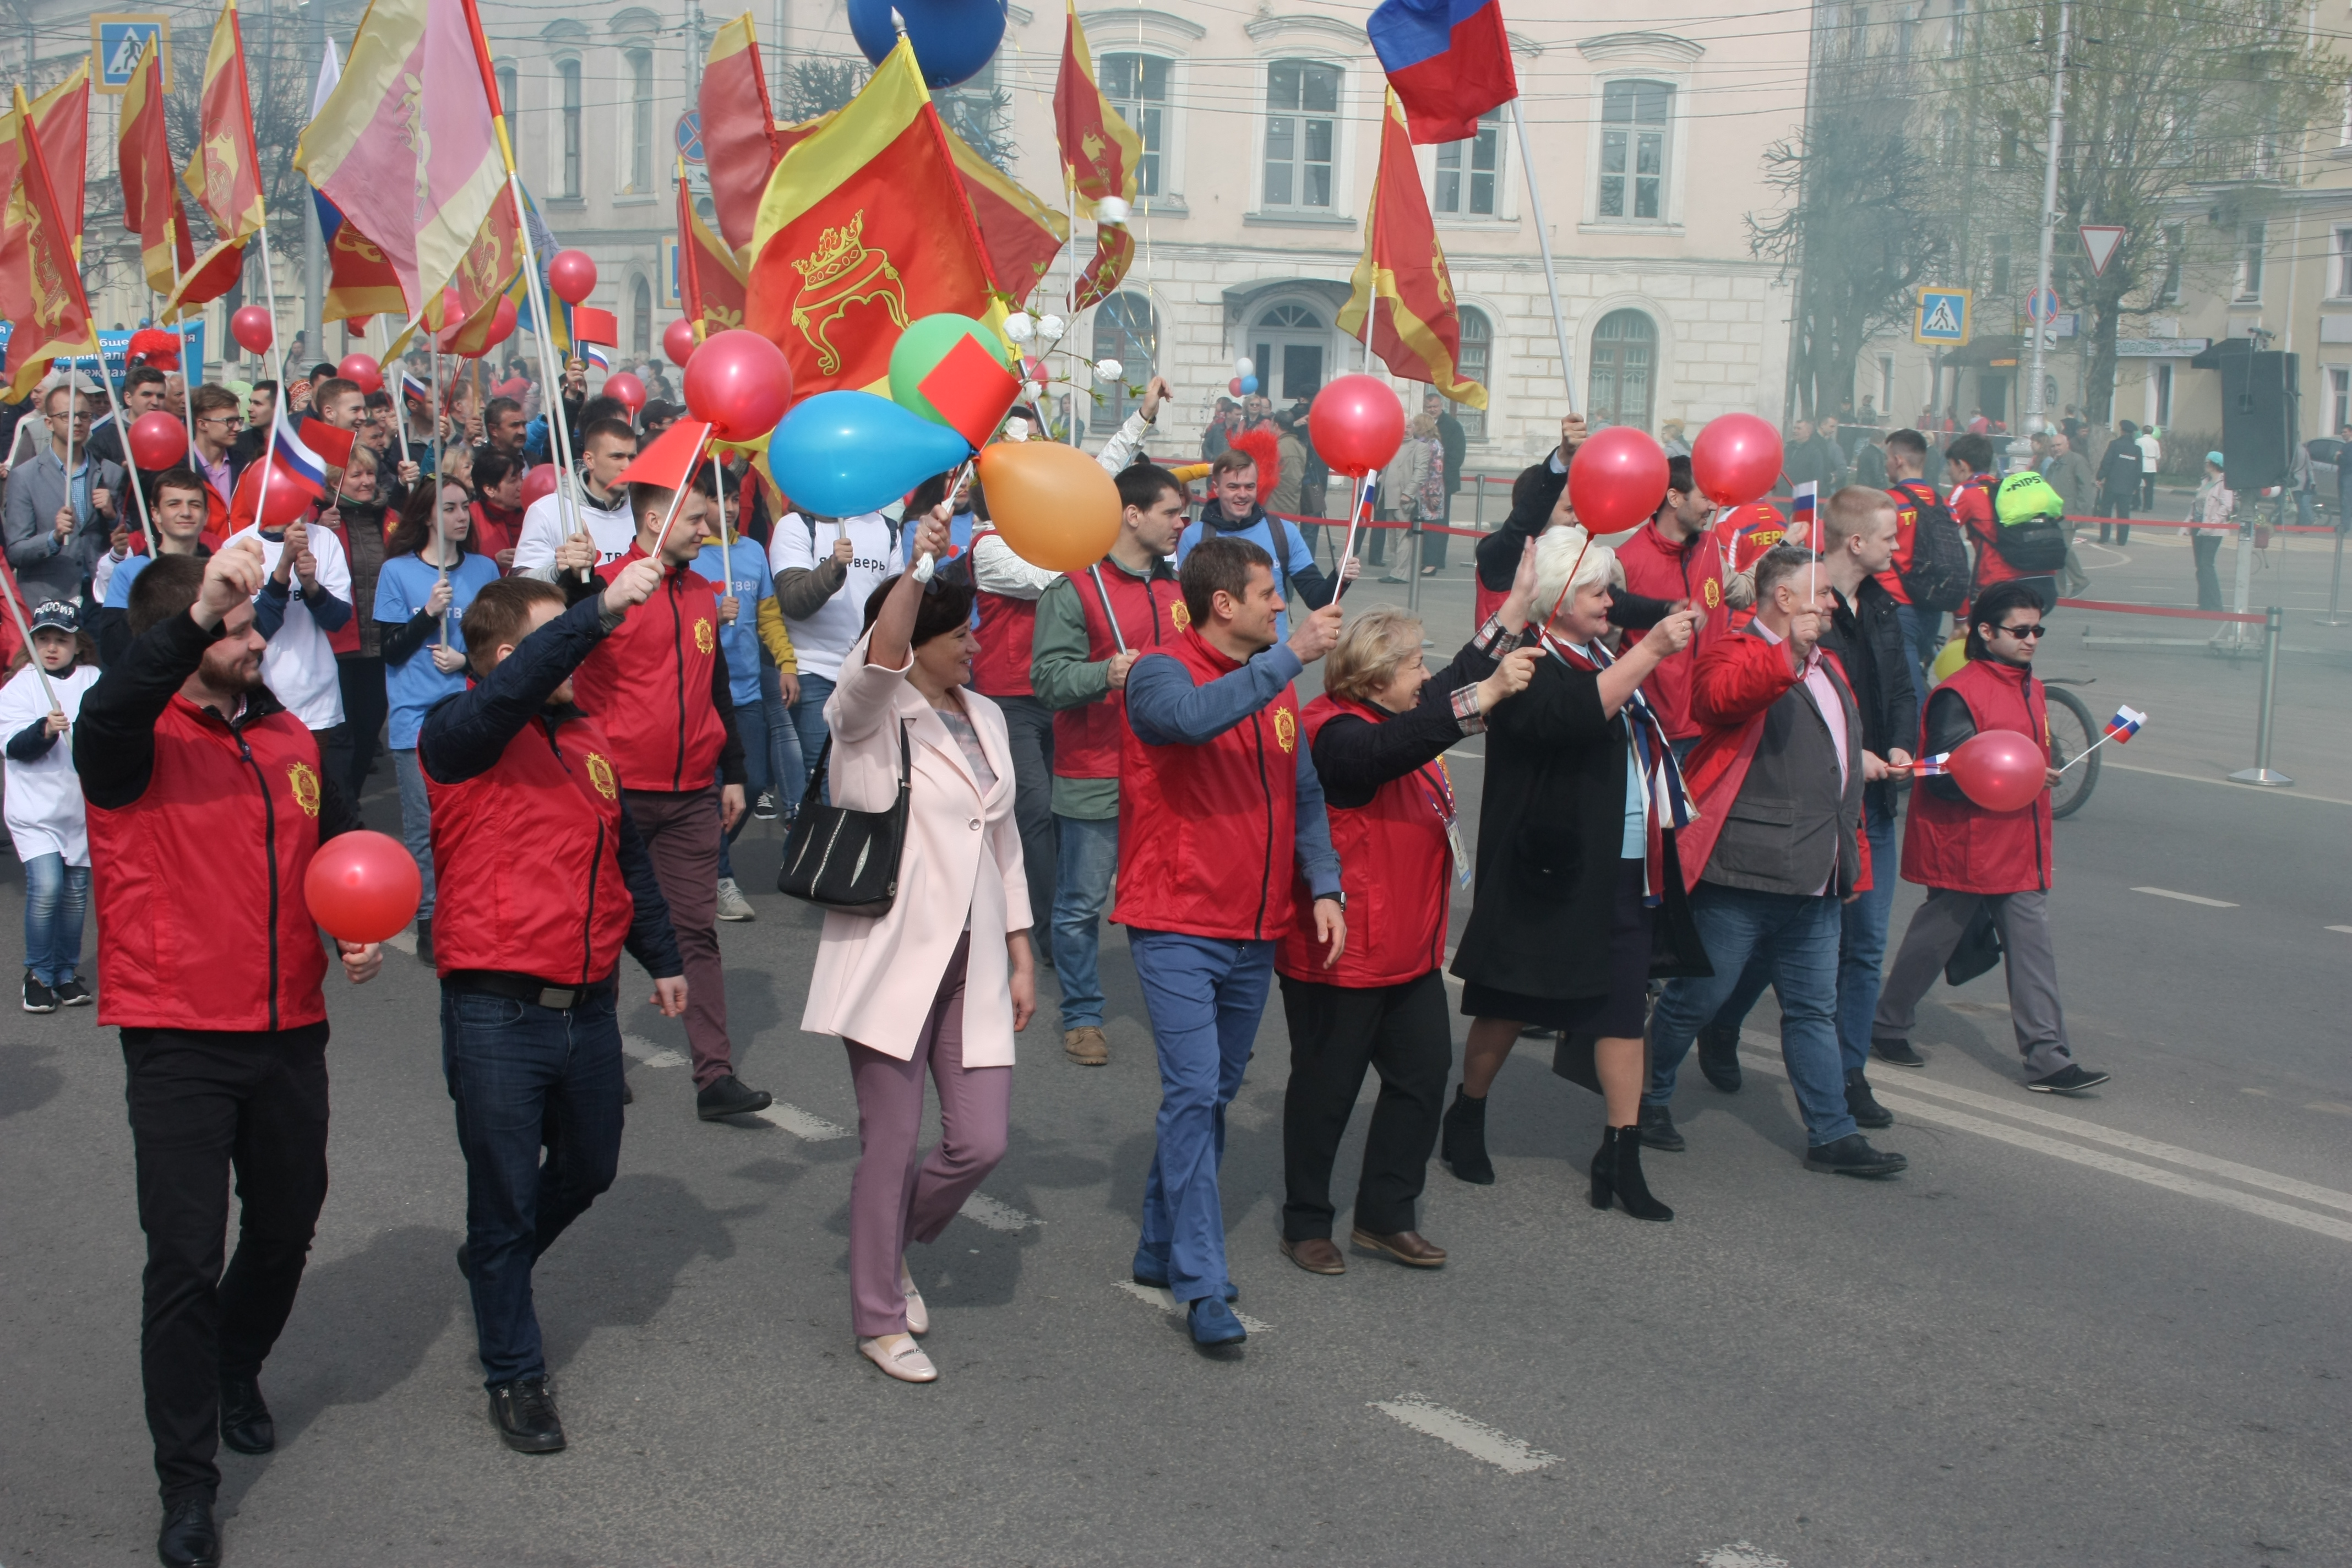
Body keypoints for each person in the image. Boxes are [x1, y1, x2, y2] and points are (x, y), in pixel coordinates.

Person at [75, 545, 383, 1568]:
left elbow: (337, 847)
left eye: (254, 626)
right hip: (179, 1036)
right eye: (243, 628)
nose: (262, 642)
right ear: (197, 633)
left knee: (288, 1223)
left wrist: (356, 924)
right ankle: (189, 1487)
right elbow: (110, 712)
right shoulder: (135, 738)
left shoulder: (290, 732)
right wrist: (192, 617)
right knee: (183, 1259)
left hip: (290, 1027)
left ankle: (234, 1359)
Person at [420, 563, 687, 1452]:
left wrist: (665, 956)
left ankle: (494, 1266)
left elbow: (627, 865)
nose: (577, 648)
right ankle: (515, 1372)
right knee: (500, 1205)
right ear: (506, 656)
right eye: (554, 636)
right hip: (496, 1011)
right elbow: (504, 699)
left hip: (588, 1008)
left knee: (592, 1165)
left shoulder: (589, 741)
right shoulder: (461, 733)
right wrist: (598, 608)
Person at [798, 507, 1035, 1383]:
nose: (974, 647)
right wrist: (917, 566)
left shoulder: (990, 718)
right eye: (961, 634)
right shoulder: (867, 712)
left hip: (973, 958)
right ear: (919, 639)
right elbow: (877, 658)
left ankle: (887, 1243)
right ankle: (876, 1314)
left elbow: (1001, 839)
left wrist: (1019, 949)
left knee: (981, 1144)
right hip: (892, 957)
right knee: (890, 1144)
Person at [1118, 536, 1346, 1346]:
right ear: (1225, 604)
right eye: (1267, 594)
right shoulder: (1160, 670)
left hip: (1255, 929)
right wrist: (1286, 660)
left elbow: (1305, 792)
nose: (1281, 605)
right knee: (1193, 1092)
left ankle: (1157, 1242)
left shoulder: (1270, 685)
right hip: (1178, 921)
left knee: (1208, 1096)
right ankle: (1202, 1283)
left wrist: (1322, 884)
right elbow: (1183, 723)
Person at [1444, 530, 1703, 1211]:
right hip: (1546, 867)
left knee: (1622, 1010)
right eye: (1595, 591)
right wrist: (1649, 651)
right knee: (1509, 1002)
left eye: (1610, 590)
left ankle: (1620, 1153)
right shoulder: (1527, 662)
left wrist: (1681, 609)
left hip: (1622, 860)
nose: (1610, 602)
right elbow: (1568, 717)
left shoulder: (1599, 648)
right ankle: (1467, 1113)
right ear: (1557, 599)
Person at [1279, 598, 1541, 1271]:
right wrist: (1481, 695)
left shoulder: (1399, 711)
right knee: (1326, 1092)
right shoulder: (1334, 732)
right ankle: (1306, 1220)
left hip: (1410, 953)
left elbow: (1446, 690)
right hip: (1342, 957)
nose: (1426, 677)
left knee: (1422, 1081)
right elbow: (1392, 748)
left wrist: (1510, 612)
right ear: (1372, 681)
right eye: (1413, 665)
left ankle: (1384, 1215)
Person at [1639, 545, 1908, 1178]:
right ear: (1784, 600)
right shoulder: (1733, 651)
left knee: (1814, 1008)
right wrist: (1786, 654)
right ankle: (1645, 1096)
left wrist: (1852, 862)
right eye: (1819, 592)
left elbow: (1839, 769)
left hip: (1816, 873)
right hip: (1745, 872)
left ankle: (1831, 1133)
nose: (1832, 602)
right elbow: (1723, 700)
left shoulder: (1831, 664)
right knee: (1696, 1001)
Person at [1687, 489, 1917, 1128]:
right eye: (1888, 537)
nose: (1898, 549)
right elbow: (1730, 695)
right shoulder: (1768, 634)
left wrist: (1894, 746)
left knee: (1841, 973)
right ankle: (1673, 1069)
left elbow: (1893, 698)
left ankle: (1839, 1105)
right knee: (1728, 975)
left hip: (1843, 832)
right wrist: (1792, 651)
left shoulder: (1862, 627)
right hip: (1771, 842)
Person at [562, 469, 769, 1120]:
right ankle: (597, 1060)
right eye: (697, 520)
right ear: (655, 521)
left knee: (696, 931)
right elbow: (561, 647)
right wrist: (576, 586)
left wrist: (732, 770)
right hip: (615, 792)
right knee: (603, 927)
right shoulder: (609, 588)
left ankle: (715, 1076)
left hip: (690, 795)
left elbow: (717, 689)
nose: (708, 530)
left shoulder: (704, 591)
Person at [1871, 582, 2109, 1095]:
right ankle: (1887, 1023)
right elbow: (1946, 773)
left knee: (2032, 949)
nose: (2031, 640)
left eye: (2037, 630)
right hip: (1969, 845)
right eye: (2020, 631)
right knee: (1933, 940)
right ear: (1985, 632)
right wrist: (2023, 776)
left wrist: (2032, 774)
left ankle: (2047, 1058)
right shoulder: (1958, 694)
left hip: (2018, 844)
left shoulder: (2034, 688)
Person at [1030, 463, 1190, 1066]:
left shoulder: (1178, 591)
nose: (1182, 522)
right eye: (1172, 511)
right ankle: (1083, 1015)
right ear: (1132, 513)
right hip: (1094, 771)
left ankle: (1183, 1016)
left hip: (1166, 774)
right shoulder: (1074, 587)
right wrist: (1106, 673)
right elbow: (1046, 680)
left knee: (1169, 903)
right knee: (1079, 904)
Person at [378, 479, 500, 962]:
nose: (461, 515)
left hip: (472, 713)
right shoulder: (397, 572)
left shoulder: (485, 568)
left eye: (465, 506)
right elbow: (390, 652)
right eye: (449, 508)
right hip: (417, 719)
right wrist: (430, 612)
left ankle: (475, 911)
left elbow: (498, 650)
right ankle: (430, 917)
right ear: (428, 517)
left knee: (478, 821)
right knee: (424, 827)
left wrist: (466, 664)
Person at [689, 466, 783, 922]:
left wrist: (785, 663)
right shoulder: (684, 556)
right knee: (708, 790)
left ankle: (705, 860)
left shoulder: (751, 553)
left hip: (746, 690)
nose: (727, 509)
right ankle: (720, 877)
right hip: (700, 693)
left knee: (756, 779)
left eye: (732, 501)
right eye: (716, 500)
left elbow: (768, 617)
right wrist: (709, 609)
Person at [2, 600, 99, 1010]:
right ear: (32, 642)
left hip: (79, 810)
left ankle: (65, 971)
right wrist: (44, 730)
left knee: (76, 895)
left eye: (62, 639)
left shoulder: (94, 679)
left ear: (78, 645)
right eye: (44, 639)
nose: (53, 648)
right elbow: (12, 747)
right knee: (47, 889)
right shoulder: (21, 686)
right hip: (35, 812)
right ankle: (38, 973)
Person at [771, 502, 902, 796]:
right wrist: (832, 568)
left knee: (870, 780)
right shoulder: (796, 524)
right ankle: (828, 841)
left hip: (869, 674)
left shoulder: (887, 529)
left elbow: (894, 604)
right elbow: (793, 603)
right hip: (814, 672)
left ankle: (816, 842)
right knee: (830, 779)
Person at [232, 483, 356, 789]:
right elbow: (257, 630)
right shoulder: (237, 545)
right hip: (262, 700)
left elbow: (338, 619)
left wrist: (312, 586)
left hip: (317, 701)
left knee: (324, 802)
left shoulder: (324, 539)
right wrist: (284, 564)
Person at [1613, 454, 1726, 755]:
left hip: (1712, 720)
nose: (1713, 507)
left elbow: (1742, 590)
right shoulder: (1626, 560)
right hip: (1658, 731)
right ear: (1674, 498)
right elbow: (1607, 653)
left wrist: (1785, 551)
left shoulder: (1710, 546)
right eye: (1705, 498)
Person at [1175, 447, 1339, 641]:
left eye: (1249, 486)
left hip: (1272, 662)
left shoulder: (1284, 533)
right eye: (1233, 487)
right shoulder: (1194, 537)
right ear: (1216, 488)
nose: (1242, 494)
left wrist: (1339, 576)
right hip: (1216, 663)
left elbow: (1317, 598)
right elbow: (1183, 607)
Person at [4, 379, 123, 606]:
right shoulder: (25, 476)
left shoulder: (110, 472)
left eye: (84, 415)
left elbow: (126, 540)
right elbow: (16, 551)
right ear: (49, 423)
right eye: (67, 416)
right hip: (49, 597)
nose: (77, 422)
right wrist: (54, 537)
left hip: (98, 595)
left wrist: (112, 516)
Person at [1472, 412, 1588, 624]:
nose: (1577, 518)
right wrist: (1563, 457)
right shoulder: (1500, 553)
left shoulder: (1570, 552)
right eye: (1569, 509)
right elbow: (1526, 521)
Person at [94, 470, 213, 666]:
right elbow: (111, 649)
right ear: (156, 514)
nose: (186, 512)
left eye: (195, 505)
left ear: (206, 515)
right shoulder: (130, 570)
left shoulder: (217, 569)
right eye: (174, 504)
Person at [511, 416, 638, 578]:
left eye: (632, 457)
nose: (627, 466)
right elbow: (520, 583)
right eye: (617, 457)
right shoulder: (548, 511)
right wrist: (558, 572)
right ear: (590, 460)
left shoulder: (643, 511)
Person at [2039, 430, 2098, 597]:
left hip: (2069, 515)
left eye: (2059, 445)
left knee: (2063, 549)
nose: (2056, 449)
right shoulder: (2053, 466)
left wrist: (2079, 515)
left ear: (2067, 445)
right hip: (2054, 516)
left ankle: (2080, 581)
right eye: (2053, 446)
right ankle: (2059, 590)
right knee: (2056, 553)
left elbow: (2086, 490)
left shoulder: (2077, 462)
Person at [85, 364, 171, 472]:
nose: (155, 402)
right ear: (128, 398)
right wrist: (123, 477)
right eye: (147, 395)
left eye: (160, 396)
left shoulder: (171, 437)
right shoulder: (103, 441)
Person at [1427, 391, 1467, 571]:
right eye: (1429, 407)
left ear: (1441, 406)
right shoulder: (1424, 425)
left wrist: (1440, 479)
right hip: (1426, 485)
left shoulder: (1452, 426)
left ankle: (1437, 560)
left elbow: (1457, 456)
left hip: (1444, 483)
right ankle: (1426, 558)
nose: (1432, 410)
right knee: (1426, 521)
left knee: (1440, 522)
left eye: (1435, 406)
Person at [469, 447, 527, 571]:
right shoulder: (470, 518)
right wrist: (494, 561)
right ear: (490, 490)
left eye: (521, 477)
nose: (521, 485)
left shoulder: (532, 511)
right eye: (513, 481)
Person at [2191, 451, 2233, 612]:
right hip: (2198, 527)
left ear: (2214, 464)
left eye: (2207, 461)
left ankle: (2216, 605)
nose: (2205, 464)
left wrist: (2212, 523)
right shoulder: (2206, 481)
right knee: (2200, 567)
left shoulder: (2224, 482)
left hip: (2213, 531)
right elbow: (2197, 503)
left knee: (2206, 564)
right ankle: (2204, 604)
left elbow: (2227, 506)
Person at [2098, 422, 2141, 544]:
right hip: (2127, 488)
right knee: (2124, 514)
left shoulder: (2114, 445)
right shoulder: (2137, 450)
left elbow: (2107, 462)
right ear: (2132, 434)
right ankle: (2122, 540)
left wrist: (2100, 476)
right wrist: (2136, 486)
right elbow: (2139, 471)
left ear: (2122, 431)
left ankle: (2104, 537)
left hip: (2111, 485)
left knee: (2106, 511)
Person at [2137, 424, 2163, 510]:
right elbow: (2158, 457)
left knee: (2137, 486)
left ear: (2143, 432)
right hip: (2151, 466)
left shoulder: (2138, 441)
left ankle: (2136, 504)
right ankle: (2147, 506)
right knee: (2149, 488)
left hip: (2140, 465)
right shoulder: (2155, 442)